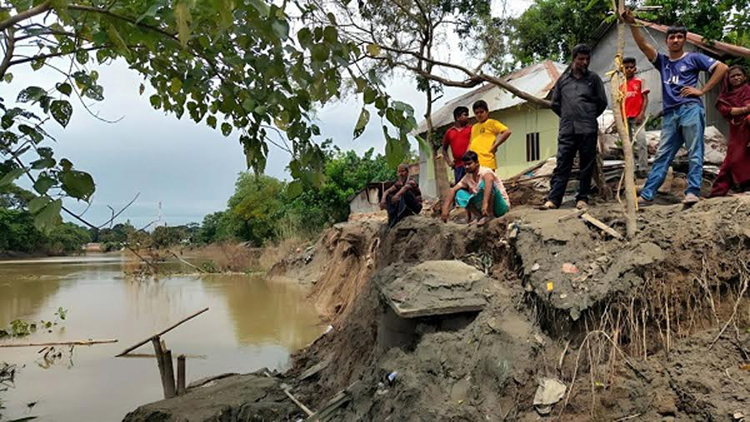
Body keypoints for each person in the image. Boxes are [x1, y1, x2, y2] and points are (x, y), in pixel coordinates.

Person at [623, 10, 728, 205]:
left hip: (690, 108)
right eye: (672, 37)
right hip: (670, 114)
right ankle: (647, 195)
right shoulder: (662, 62)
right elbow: (643, 46)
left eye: (680, 37)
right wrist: (632, 24)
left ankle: (692, 192)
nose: (676, 40)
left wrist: (702, 90)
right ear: (667, 41)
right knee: (663, 154)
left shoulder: (694, 58)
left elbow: (722, 68)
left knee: (694, 151)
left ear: (684, 40)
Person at [542, 44, 608, 210]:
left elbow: (602, 103)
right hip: (567, 130)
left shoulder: (594, 79)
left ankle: (582, 199)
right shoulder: (563, 81)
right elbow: (555, 104)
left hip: (588, 129)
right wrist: (568, 117)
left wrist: (587, 116)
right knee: (563, 164)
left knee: (586, 165)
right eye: (581, 59)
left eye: (587, 59)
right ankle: (554, 199)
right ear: (573, 59)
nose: (584, 62)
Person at [709, 65, 750, 197]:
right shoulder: (724, 97)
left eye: (739, 75)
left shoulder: (748, 90)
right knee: (733, 159)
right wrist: (745, 109)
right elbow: (727, 111)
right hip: (738, 130)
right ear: (728, 79)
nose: (736, 77)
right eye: (733, 76)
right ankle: (719, 191)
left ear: (744, 77)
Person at [441, 151, 511, 225]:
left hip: (500, 206)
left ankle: (490, 215)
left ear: (477, 163)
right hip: (484, 209)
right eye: (465, 165)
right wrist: (445, 209)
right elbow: (453, 190)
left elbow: (489, 180)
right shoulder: (467, 177)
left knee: (487, 184)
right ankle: (480, 216)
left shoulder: (485, 172)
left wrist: (485, 204)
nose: (466, 167)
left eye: (469, 164)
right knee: (459, 194)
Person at [623, 57, 651, 177]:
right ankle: (632, 169)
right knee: (627, 145)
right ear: (623, 69)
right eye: (626, 67)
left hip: (637, 117)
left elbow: (645, 98)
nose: (629, 69)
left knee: (641, 142)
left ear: (635, 68)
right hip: (625, 119)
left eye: (631, 67)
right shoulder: (620, 85)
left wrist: (641, 113)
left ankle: (643, 168)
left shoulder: (640, 81)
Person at [469, 100, 512, 171]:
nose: (479, 115)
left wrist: (495, 146)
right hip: (475, 163)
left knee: (487, 181)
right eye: (477, 113)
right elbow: (471, 143)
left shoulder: (491, 123)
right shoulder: (474, 127)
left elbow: (507, 132)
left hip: (487, 161)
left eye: (481, 112)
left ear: (487, 112)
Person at [380, 163, 422, 228]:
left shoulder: (411, 181)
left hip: (415, 207)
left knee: (405, 193)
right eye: (399, 172)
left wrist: (397, 195)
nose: (401, 174)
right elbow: (387, 191)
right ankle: (393, 218)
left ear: (407, 172)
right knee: (389, 196)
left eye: (402, 171)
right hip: (406, 205)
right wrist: (383, 199)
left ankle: (400, 216)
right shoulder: (399, 183)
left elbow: (405, 188)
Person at [442, 106, 473, 184]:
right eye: (465, 115)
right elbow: (444, 149)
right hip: (458, 166)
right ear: (458, 117)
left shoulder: (471, 129)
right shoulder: (450, 132)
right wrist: (449, 162)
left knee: (473, 187)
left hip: (471, 164)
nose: (467, 117)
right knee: (461, 188)